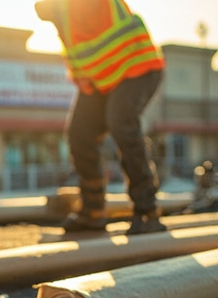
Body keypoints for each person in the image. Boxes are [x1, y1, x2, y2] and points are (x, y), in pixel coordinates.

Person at [35, 0, 167, 235]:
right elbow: (43, 10)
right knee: (80, 133)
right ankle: (92, 211)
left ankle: (147, 210)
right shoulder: (60, 10)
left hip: (137, 67)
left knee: (121, 123)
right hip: (102, 80)